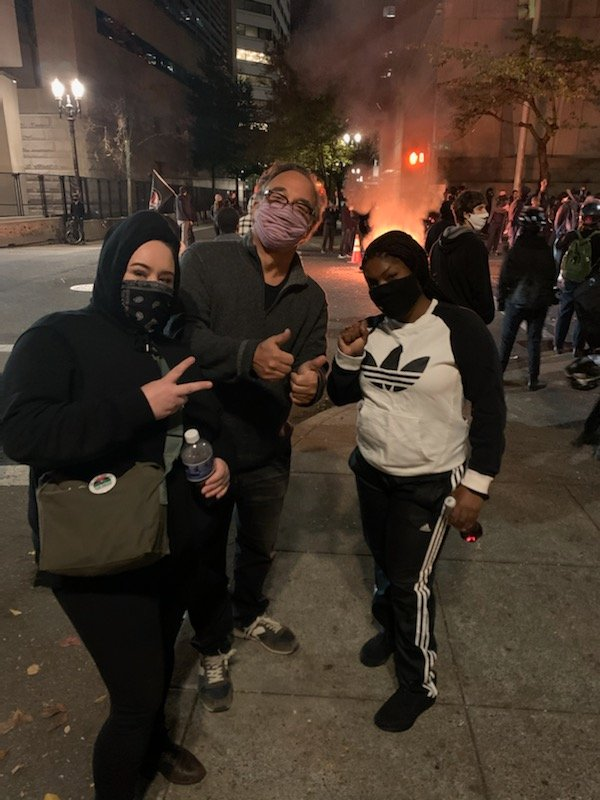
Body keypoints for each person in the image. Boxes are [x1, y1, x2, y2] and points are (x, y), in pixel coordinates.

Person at [0, 211, 233, 800]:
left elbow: (203, 417)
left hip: (169, 543)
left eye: (164, 278)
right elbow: (23, 433)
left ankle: (154, 744)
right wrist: (138, 406)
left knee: (157, 660)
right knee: (135, 697)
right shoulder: (56, 336)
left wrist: (218, 460)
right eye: (138, 272)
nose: (152, 287)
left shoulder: (170, 341)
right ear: (111, 269)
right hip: (98, 552)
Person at [327, 230, 505, 732]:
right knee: (385, 565)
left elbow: (490, 409)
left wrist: (476, 485)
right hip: (372, 472)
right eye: (374, 282)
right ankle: (393, 630)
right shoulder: (373, 330)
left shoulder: (458, 327)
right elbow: (340, 394)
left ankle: (418, 683)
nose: (383, 288)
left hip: (429, 481)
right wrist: (348, 355)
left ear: (418, 271)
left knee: (411, 583)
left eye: (393, 276)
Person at [178, 162, 328, 711]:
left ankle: (247, 612)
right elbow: (183, 337)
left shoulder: (310, 296)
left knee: (259, 545)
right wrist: (247, 356)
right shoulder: (204, 261)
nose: (286, 211)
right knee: (205, 554)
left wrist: (311, 387)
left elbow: (313, 365)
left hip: (268, 448)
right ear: (257, 199)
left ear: (311, 227)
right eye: (277, 197)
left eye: (302, 207)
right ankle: (212, 643)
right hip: (206, 445)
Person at [497, 207, 557, 391]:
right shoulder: (545, 250)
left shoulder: (517, 249)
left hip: (516, 300)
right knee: (534, 340)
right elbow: (551, 276)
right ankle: (533, 379)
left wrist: (502, 298)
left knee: (507, 340)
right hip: (539, 302)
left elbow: (505, 275)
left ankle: (498, 377)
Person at [429, 189, 495, 324]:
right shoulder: (474, 246)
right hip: (468, 318)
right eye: (480, 209)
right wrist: (485, 315)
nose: (486, 214)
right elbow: (481, 287)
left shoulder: (438, 245)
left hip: (442, 317)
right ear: (466, 214)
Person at [554, 199, 600, 356]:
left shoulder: (572, 235)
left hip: (570, 278)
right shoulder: (598, 238)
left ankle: (558, 344)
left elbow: (558, 246)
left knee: (565, 311)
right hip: (587, 280)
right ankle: (577, 347)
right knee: (583, 314)